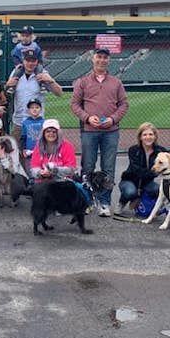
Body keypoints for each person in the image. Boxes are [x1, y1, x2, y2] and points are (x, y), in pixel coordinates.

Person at [70, 46, 129, 217]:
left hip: (111, 131)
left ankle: (104, 203)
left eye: (105, 57)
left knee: (108, 168)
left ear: (108, 60)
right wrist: (87, 117)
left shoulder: (116, 82)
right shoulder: (83, 82)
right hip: (89, 130)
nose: (102, 60)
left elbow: (124, 104)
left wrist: (113, 119)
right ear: (93, 58)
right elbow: (74, 104)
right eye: (99, 57)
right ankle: (86, 201)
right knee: (87, 166)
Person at [4, 49, 62, 144]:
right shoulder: (16, 73)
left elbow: (59, 93)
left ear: (37, 61)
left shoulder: (42, 74)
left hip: (36, 123)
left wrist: (51, 80)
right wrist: (7, 85)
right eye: (28, 60)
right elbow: (7, 93)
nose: (30, 63)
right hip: (19, 122)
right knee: (15, 152)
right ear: (23, 61)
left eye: (33, 61)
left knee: (37, 152)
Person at [116, 122, 167, 217]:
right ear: (140, 137)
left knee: (158, 189)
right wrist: (155, 171)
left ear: (155, 136)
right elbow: (137, 171)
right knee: (130, 192)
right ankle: (122, 202)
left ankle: (147, 203)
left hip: (147, 182)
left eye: (151, 134)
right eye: (145, 135)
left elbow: (167, 166)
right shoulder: (133, 150)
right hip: (130, 180)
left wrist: (155, 172)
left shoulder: (161, 151)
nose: (148, 137)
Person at [6, 26, 46, 93]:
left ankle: (42, 85)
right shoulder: (18, 47)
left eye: (27, 36)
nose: (25, 38)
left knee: (39, 70)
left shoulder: (35, 46)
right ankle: (12, 86)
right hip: (22, 63)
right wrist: (17, 63)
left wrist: (39, 63)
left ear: (31, 37)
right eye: (23, 36)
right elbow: (14, 56)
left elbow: (39, 55)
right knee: (17, 72)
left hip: (33, 64)